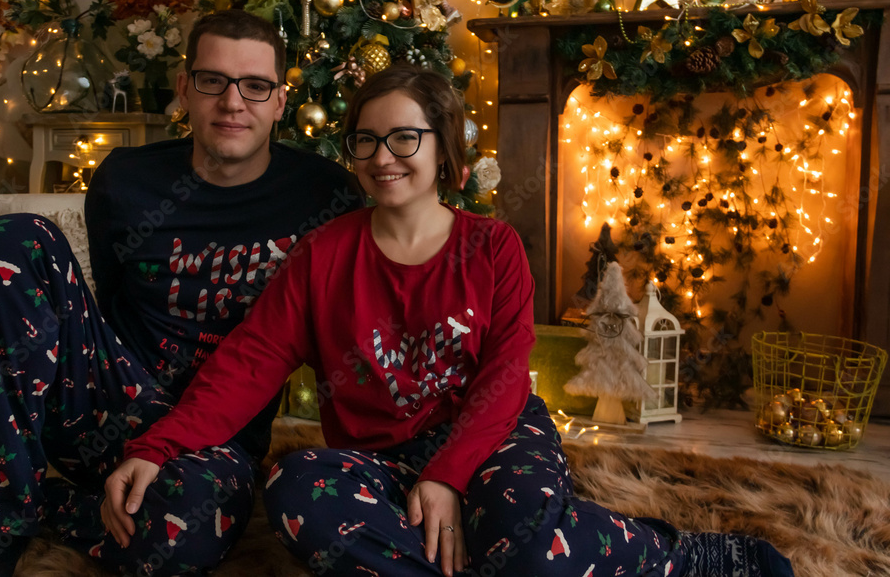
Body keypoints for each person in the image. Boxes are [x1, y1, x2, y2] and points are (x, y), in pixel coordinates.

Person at [103, 65, 795, 577]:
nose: (382, 157)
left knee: (523, 536)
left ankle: (679, 557)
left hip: (491, 436)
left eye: (404, 137)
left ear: (443, 148)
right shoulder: (322, 254)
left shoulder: (491, 247)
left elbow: (501, 381)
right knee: (295, 490)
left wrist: (446, 475)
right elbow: (248, 365)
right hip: (376, 456)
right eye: (365, 141)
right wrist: (156, 445)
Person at [0, 9, 364, 576]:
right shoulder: (127, 179)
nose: (233, 102)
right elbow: (105, 301)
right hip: (107, 403)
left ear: (280, 100)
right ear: (184, 89)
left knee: (184, 535)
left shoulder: (325, 194)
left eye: (255, 86)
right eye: (213, 81)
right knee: (10, 238)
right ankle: (6, 517)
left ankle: (43, 508)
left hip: (216, 438)